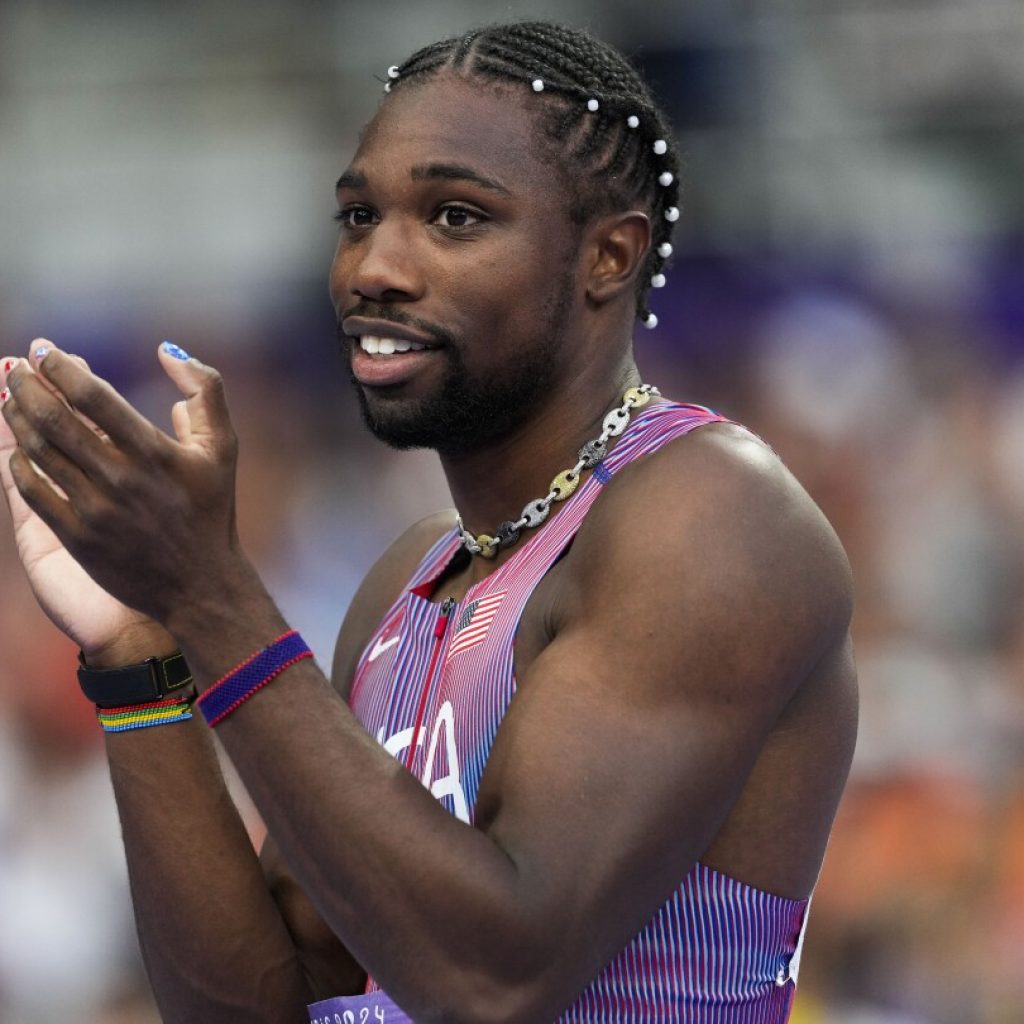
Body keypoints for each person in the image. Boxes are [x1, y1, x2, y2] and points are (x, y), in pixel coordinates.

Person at [0, 20, 857, 1024]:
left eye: (453, 217)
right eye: (358, 215)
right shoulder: (411, 579)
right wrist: (143, 652)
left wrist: (211, 592)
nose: (375, 267)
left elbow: (497, 980)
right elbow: (262, 1008)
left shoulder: (714, 517)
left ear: (607, 257)